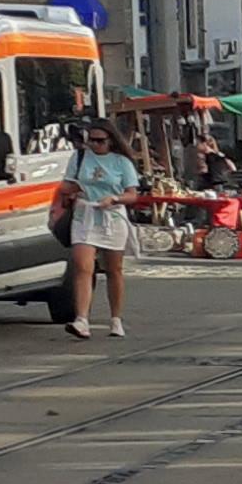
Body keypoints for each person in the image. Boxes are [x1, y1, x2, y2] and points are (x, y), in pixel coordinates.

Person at [64, 116, 140, 338]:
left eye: (100, 141)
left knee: (113, 269)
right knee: (82, 266)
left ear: (111, 141)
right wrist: (69, 191)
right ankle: (81, 319)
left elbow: (132, 195)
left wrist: (114, 199)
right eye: (91, 140)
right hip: (85, 214)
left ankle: (115, 318)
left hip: (112, 217)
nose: (95, 145)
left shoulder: (121, 163)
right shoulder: (79, 158)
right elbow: (67, 183)